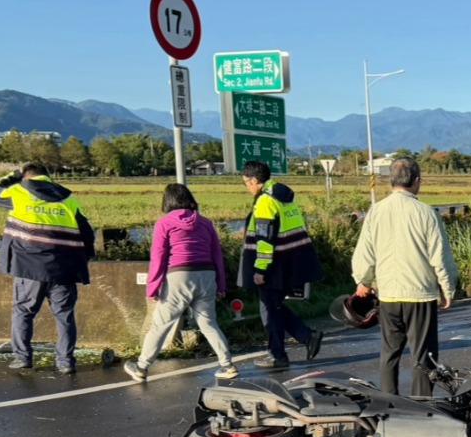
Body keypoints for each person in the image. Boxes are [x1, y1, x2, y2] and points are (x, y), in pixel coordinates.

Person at [352, 158, 458, 396]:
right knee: (424, 355)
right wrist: (447, 288)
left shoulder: (376, 211)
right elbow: (440, 257)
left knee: (390, 352)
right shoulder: (427, 213)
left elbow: (364, 252)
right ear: (417, 181)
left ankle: (389, 402)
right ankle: (421, 405)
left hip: (388, 294)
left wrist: (363, 280)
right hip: (420, 295)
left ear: (391, 181)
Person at [124, 184, 237, 382]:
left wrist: (152, 287)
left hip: (178, 276)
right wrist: (221, 284)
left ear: (167, 201)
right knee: (208, 323)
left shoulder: (164, 223)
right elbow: (217, 255)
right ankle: (227, 365)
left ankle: (141, 367)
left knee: (161, 324)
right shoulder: (206, 223)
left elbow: (158, 257)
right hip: (207, 275)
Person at [0, 163, 95, 374]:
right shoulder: (68, 198)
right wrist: (82, 259)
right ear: (48, 176)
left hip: (29, 267)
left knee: (23, 311)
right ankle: (65, 362)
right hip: (64, 268)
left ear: (26, 176)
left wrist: (13, 175)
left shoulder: (18, 191)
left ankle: (23, 358)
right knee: (64, 315)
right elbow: (87, 233)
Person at [238, 161, 323, 370]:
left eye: (246, 183)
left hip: (274, 265)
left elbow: (265, 240)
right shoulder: (283, 197)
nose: (247, 188)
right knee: (273, 307)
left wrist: (260, 270)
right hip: (291, 261)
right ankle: (306, 337)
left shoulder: (266, 202)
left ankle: (278, 355)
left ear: (255, 181)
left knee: (269, 309)